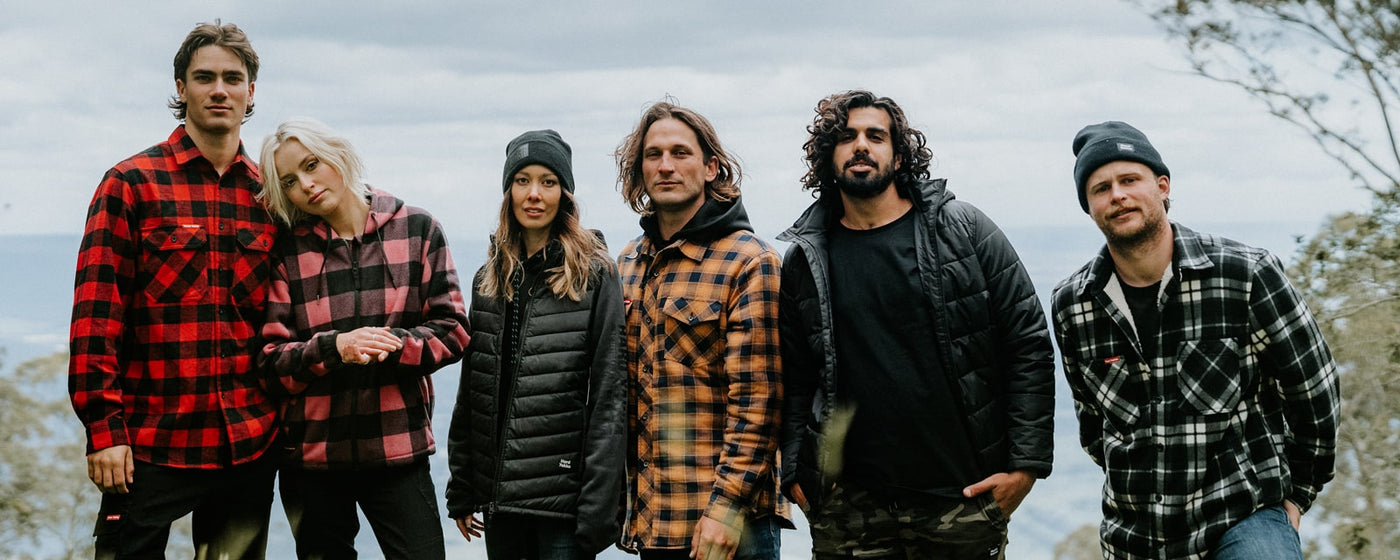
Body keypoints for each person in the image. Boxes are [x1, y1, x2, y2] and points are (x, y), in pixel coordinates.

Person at [777, 90, 1055, 559]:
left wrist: (1025, 467)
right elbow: (794, 375)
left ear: (900, 154)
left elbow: (1026, 343)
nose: (860, 145)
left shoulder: (964, 230)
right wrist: (795, 473)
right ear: (829, 156)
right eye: (846, 137)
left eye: (875, 136)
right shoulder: (807, 258)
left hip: (960, 498)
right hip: (849, 510)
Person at [1052, 121, 1341, 559]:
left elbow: (1315, 394)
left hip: (1244, 518)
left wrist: (1296, 498)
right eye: (1101, 188)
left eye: (1130, 180)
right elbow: (1094, 427)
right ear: (1089, 207)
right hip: (1135, 534)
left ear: (1163, 186)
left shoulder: (1245, 274)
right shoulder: (1072, 304)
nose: (1117, 195)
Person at [68, 20, 280, 558]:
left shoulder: (270, 197)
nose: (219, 89)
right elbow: (97, 317)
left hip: (249, 442)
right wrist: (104, 429)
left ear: (250, 92)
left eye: (233, 78)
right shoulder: (130, 183)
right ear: (181, 88)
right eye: (203, 77)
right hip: (149, 444)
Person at [257, 118, 469, 559]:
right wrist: (336, 348)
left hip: (398, 447)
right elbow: (272, 363)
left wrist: (385, 345)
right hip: (312, 459)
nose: (307, 185)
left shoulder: (417, 229)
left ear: (338, 154)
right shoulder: (288, 251)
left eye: (312, 165)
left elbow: (454, 330)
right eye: (291, 182)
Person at [614, 101, 789, 560]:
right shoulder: (628, 264)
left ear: (711, 167)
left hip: (730, 528)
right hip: (656, 520)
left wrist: (727, 508)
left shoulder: (750, 262)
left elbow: (758, 401)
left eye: (680, 153)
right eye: (653, 155)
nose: (666, 166)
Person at [444, 129, 627, 560]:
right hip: (499, 503)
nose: (534, 194)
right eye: (522, 180)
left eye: (548, 181)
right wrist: (463, 487)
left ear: (565, 194)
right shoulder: (489, 279)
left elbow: (610, 396)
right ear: (508, 191)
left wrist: (599, 509)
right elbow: (474, 390)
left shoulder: (595, 274)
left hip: (562, 506)